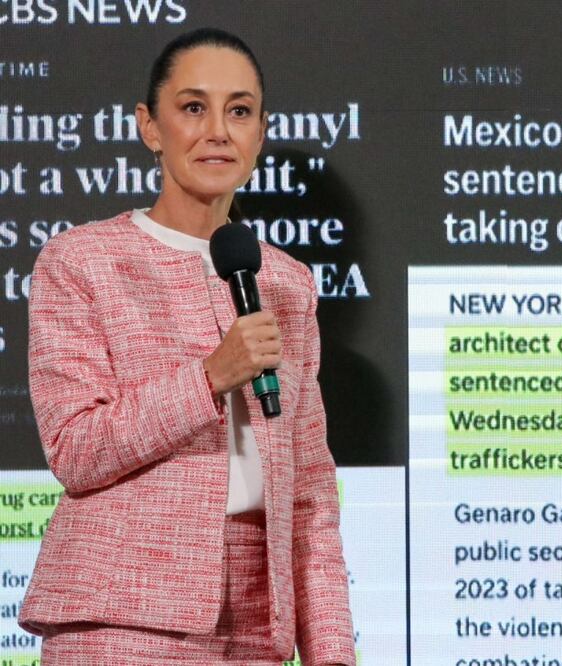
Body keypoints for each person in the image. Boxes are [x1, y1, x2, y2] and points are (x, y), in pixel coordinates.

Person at [17, 28, 356, 665]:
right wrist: (208, 377)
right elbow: (76, 448)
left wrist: (331, 651)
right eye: (193, 107)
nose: (218, 131)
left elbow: (309, 489)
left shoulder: (285, 282)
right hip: (121, 621)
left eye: (240, 111)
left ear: (259, 133)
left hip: (256, 626)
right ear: (150, 126)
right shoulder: (83, 262)